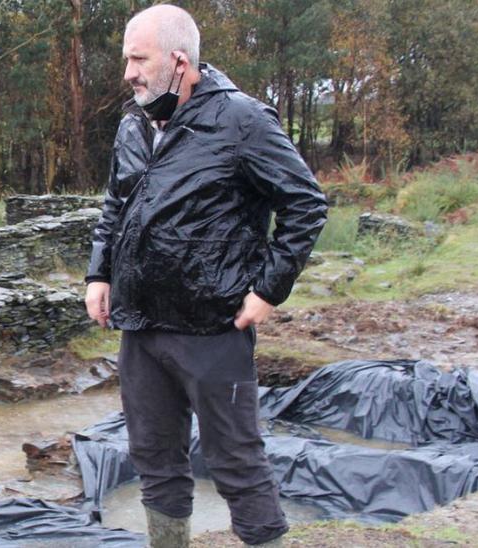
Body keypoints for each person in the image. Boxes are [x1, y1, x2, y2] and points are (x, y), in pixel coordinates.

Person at [83, 4, 328, 547]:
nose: (129, 72)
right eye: (126, 59)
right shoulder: (133, 123)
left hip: (213, 328)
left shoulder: (242, 120)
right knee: (152, 454)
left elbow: (306, 204)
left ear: (178, 60)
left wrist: (269, 289)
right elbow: (115, 206)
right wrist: (98, 274)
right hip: (141, 325)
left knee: (235, 458)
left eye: (138, 59)